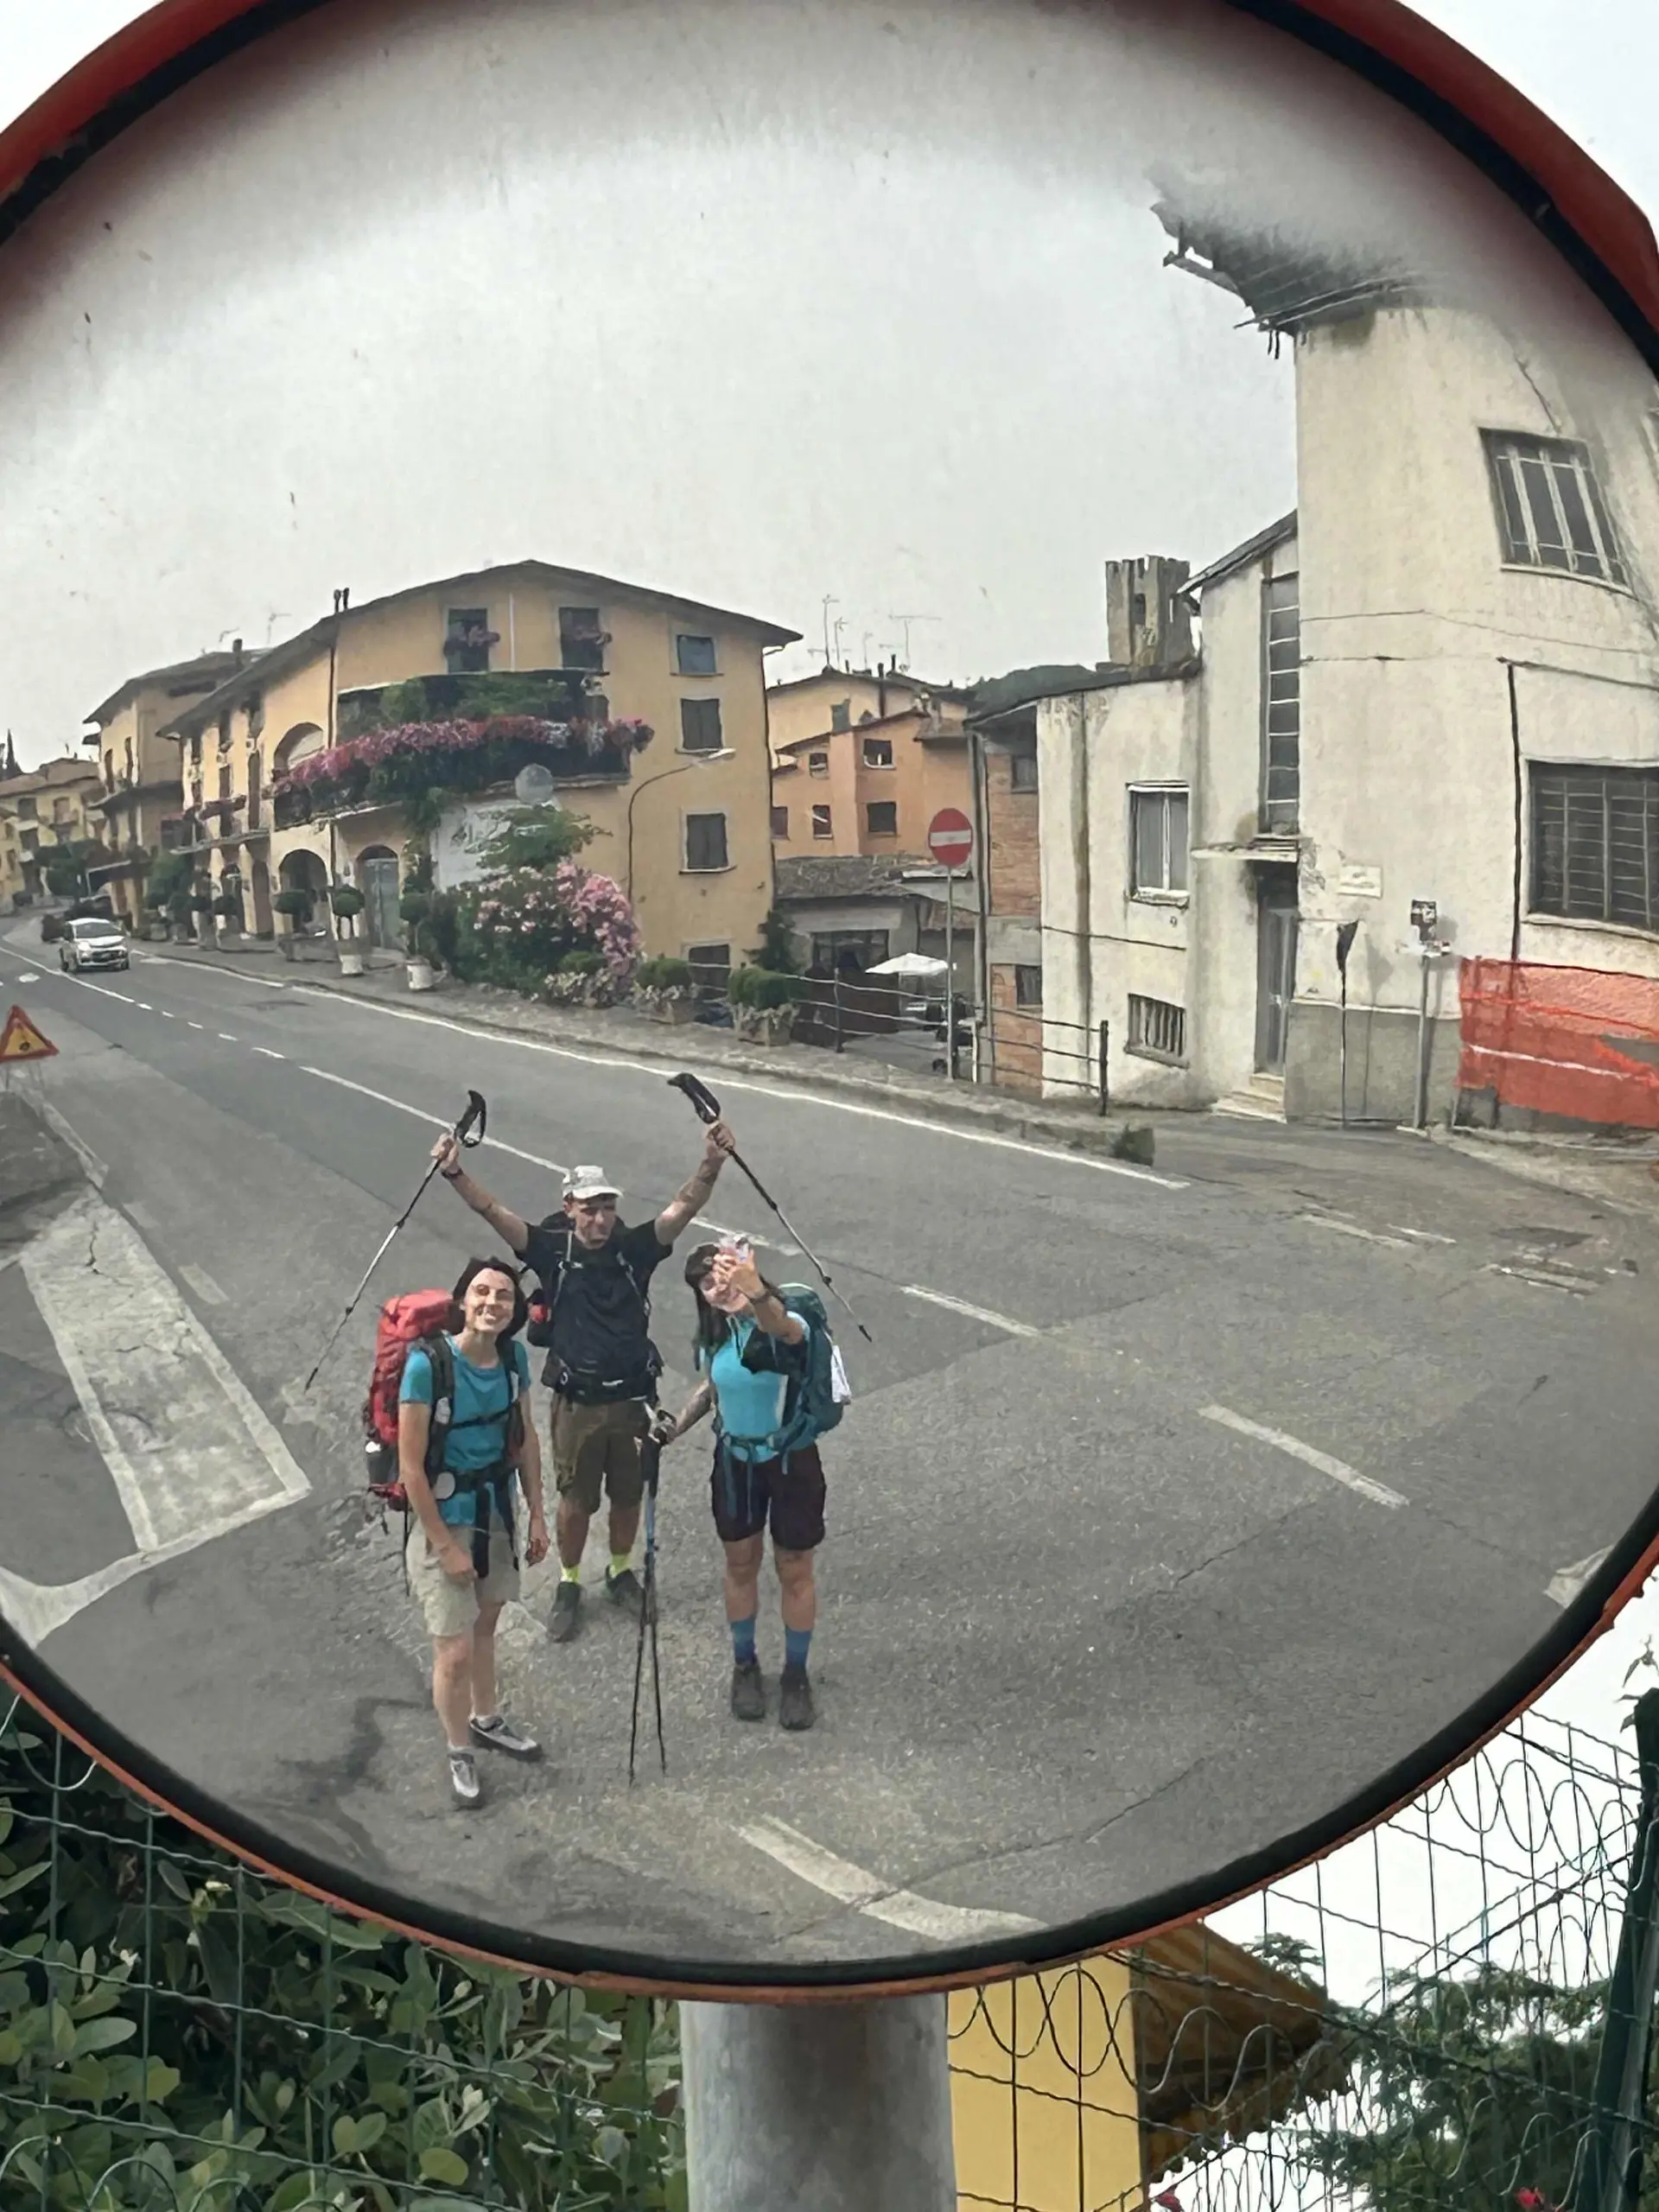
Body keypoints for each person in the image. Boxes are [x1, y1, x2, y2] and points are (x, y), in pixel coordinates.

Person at [430, 1116, 736, 1643]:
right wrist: (455, 1173)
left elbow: (683, 1208)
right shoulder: (550, 1250)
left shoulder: (634, 1248)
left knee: (628, 1495)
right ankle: (569, 1582)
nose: (600, 1218)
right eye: (589, 1208)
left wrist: (710, 1163)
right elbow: (494, 1212)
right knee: (575, 1501)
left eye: (607, 1207)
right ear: (569, 1207)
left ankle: (620, 1571)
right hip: (578, 1403)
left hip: (634, 1398)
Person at [397, 1256, 550, 1807]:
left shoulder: (513, 1357)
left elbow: (525, 1437)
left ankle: (486, 1719)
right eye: (482, 1292)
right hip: (446, 1517)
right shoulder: (427, 1367)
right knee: (454, 1649)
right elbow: (410, 1468)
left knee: (486, 1624)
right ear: (462, 1301)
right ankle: (459, 1746)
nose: (492, 1303)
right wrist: (444, 1547)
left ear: (514, 1310)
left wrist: (537, 1514)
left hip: (496, 1510)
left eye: (504, 1295)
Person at [666, 1242, 824, 1732]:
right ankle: (745, 1665)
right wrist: (672, 1428)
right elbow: (715, 1388)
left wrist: (755, 1292)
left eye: (724, 1273)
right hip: (735, 1463)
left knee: (795, 1568)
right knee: (740, 1566)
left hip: (791, 1460)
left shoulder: (786, 1318)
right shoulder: (716, 1333)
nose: (719, 1287)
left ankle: (795, 1675)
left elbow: (786, 1332)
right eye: (707, 1284)